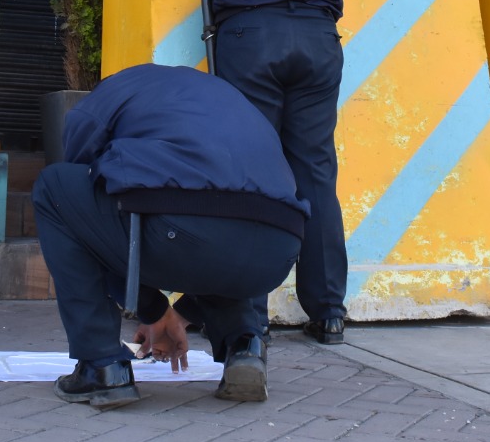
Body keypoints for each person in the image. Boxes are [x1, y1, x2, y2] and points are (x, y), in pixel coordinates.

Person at [157, 0, 358, 345]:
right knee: (315, 174)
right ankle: (329, 311)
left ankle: (248, 316)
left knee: (249, 172)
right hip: (318, 42)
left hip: (252, 38)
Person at [32, 63, 308, 407]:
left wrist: (150, 307)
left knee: (55, 189)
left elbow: (88, 210)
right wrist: (176, 313)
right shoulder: (225, 97)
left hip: (187, 233)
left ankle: (101, 366)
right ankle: (245, 346)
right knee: (230, 211)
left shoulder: (111, 94)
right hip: (278, 252)